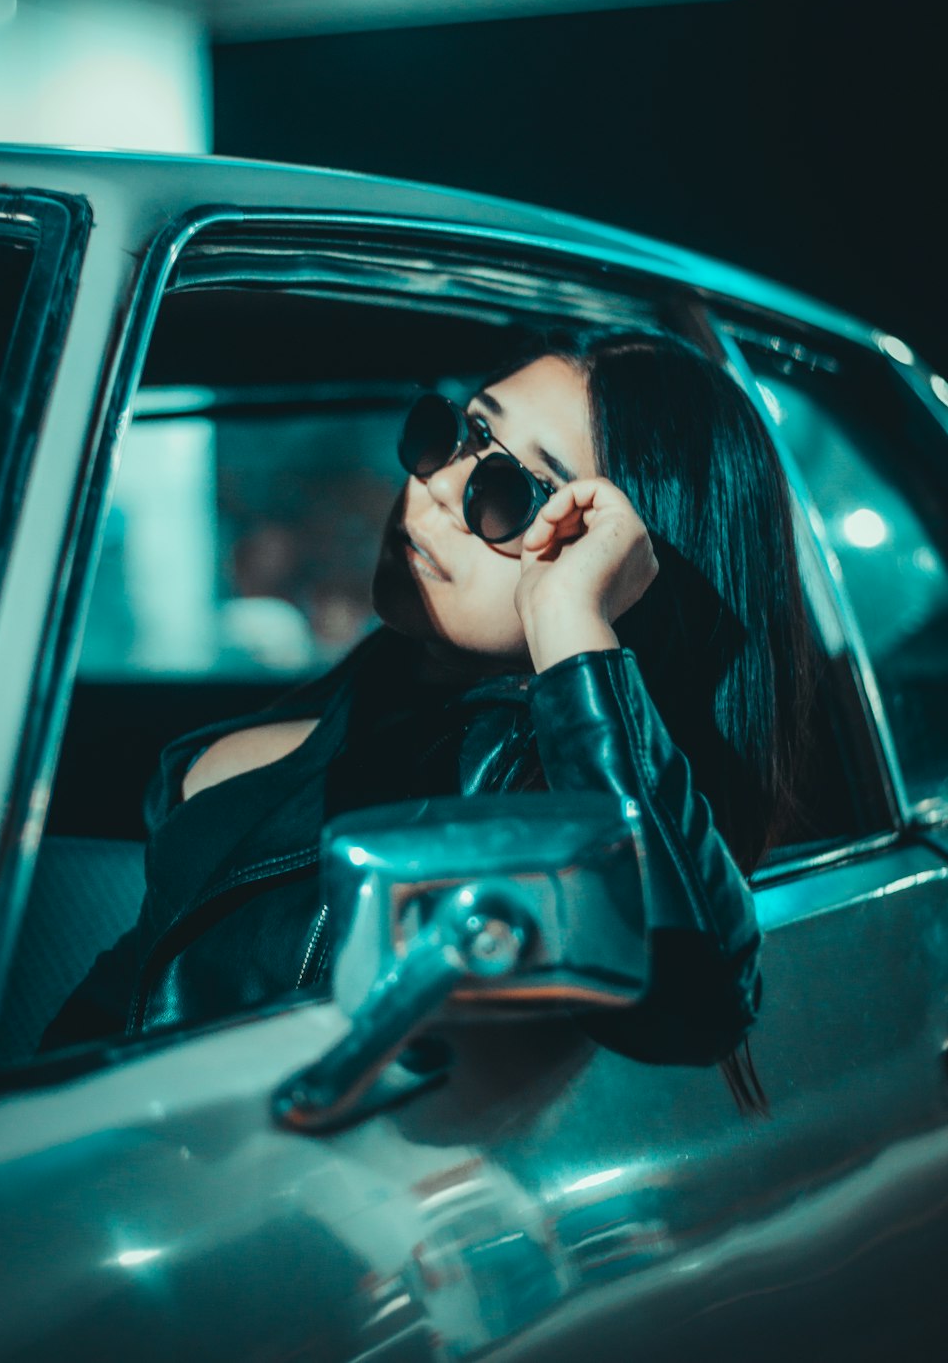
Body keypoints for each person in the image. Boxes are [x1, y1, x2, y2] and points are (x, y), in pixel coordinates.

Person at [42, 328, 813, 1105]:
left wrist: (572, 619)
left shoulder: (539, 799)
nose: (444, 485)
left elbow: (696, 1003)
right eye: (468, 432)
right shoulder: (383, 687)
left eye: (526, 489)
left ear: (624, 566)